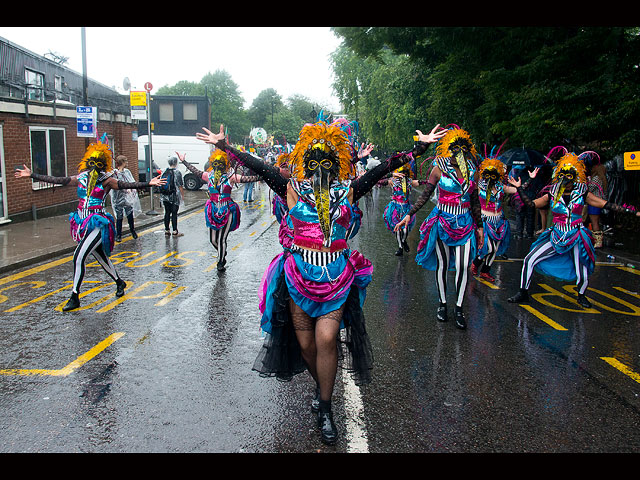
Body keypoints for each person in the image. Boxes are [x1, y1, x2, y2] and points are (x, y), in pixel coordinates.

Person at [196, 122, 446, 445]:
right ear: (304, 164)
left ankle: (326, 409)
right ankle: (321, 384)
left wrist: (420, 148)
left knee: (327, 339)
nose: (319, 169)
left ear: (337, 163)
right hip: (299, 278)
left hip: (336, 279)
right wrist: (225, 147)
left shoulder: (348, 190)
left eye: (326, 162)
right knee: (306, 346)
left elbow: (384, 167)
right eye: (312, 163)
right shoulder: (292, 188)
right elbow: (257, 165)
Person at [14, 135, 165, 311]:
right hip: (83, 223)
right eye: (92, 161)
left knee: (78, 256)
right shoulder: (81, 177)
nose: (94, 165)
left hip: (98, 224)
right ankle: (119, 282)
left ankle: (75, 296)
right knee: (101, 257)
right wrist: (32, 174)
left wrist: (148, 183)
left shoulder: (107, 180)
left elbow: (125, 185)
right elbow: (58, 180)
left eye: (98, 162)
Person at [507, 147, 640, 308]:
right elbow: (531, 204)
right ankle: (523, 292)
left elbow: (606, 204)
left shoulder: (582, 193)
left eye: (569, 178)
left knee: (581, 266)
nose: (566, 182)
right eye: (563, 177)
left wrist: (630, 211)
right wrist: (520, 188)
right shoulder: (552, 193)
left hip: (576, 235)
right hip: (556, 235)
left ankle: (582, 295)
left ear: (575, 177)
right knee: (530, 259)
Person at [395, 125, 484, 330]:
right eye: (453, 149)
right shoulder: (439, 167)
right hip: (443, 221)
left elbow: (475, 200)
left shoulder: (472, 171)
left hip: (465, 222)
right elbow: (426, 195)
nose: (456, 154)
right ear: (447, 149)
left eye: (460, 150)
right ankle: (443, 304)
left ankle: (459, 308)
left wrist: (479, 226)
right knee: (443, 264)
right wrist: (409, 214)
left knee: (462, 266)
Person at [177, 148, 260, 272]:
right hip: (212, 209)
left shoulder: (231, 177)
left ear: (225, 165)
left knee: (222, 239)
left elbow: (249, 179)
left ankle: (220, 262)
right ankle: (222, 252)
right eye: (215, 163)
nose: (217, 166)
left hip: (227, 209)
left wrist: (264, 174)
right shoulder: (208, 176)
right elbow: (195, 171)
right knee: (213, 239)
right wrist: (184, 161)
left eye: (220, 164)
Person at [470, 147, 519, 282]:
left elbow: (513, 190)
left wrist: (521, 185)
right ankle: (476, 263)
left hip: (499, 221)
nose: (491, 176)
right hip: (484, 221)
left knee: (494, 250)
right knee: (487, 247)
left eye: (494, 173)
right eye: (488, 173)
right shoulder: (479, 185)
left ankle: (485, 271)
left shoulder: (499, 186)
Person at [382, 162, 429, 256]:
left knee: (405, 229)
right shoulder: (392, 181)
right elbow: (379, 180)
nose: (401, 175)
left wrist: (431, 181)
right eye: (400, 172)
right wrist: (390, 174)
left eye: (404, 173)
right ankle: (400, 247)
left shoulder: (409, 182)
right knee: (398, 228)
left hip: (406, 207)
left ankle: (403, 241)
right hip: (395, 208)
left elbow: (419, 182)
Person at [110, 155, 141, 242]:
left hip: (128, 198)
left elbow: (131, 181)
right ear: (122, 163)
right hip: (118, 198)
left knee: (130, 215)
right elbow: (114, 185)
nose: (127, 163)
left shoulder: (127, 172)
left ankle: (133, 231)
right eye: (126, 161)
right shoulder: (115, 173)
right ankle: (118, 235)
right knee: (119, 217)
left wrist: (131, 190)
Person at [160, 156, 185, 237]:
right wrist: (182, 196)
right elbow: (180, 185)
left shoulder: (164, 172)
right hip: (174, 196)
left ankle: (167, 230)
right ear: (176, 163)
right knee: (174, 213)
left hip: (165, 195)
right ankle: (175, 230)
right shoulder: (177, 172)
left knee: (167, 212)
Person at [586, 162, 608, 248]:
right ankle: (597, 240)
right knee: (596, 222)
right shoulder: (603, 178)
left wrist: (588, 181)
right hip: (600, 201)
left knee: (594, 222)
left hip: (594, 203)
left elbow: (589, 189)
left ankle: (598, 241)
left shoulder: (596, 179)